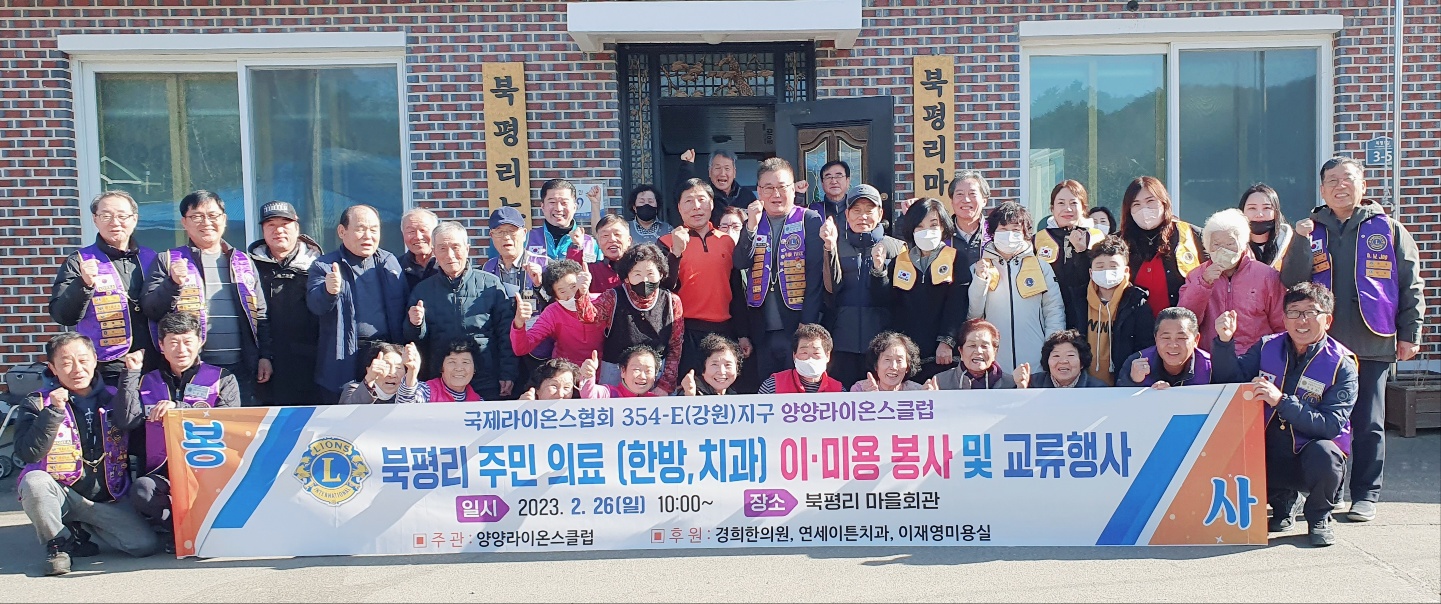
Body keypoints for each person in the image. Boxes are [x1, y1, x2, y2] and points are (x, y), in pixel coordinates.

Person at [1280, 155, 1425, 523]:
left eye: (1347, 179)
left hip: (1373, 338)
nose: (1340, 186)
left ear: (1363, 186)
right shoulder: (1309, 230)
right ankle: (1330, 492)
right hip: (1322, 346)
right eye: (1332, 180)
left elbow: (1411, 285)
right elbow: (1291, 280)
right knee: (1320, 419)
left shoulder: (1389, 229)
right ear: (1322, 189)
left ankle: (1366, 494)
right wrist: (1299, 241)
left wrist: (1410, 333)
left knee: (1369, 422)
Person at [1211, 282, 1357, 546]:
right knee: (1233, 444)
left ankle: (1319, 517)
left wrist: (1281, 401)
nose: (1302, 320)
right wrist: (1224, 342)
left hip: (1310, 451)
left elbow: (1330, 426)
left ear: (1327, 320)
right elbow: (1230, 380)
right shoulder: (1266, 346)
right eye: (1294, 312)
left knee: (1326, 453)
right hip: (1267, 445)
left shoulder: (1342, 364)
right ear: (1284, 318)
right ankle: (1283, 503)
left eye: (1311, 312)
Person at [14, 333, 158, 576]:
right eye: (66, 363)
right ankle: (58, 545)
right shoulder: (37, 402)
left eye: (83, 360)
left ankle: (81, 530)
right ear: (52, 368)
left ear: (94, 359)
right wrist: (53, 412)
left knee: (143, 545)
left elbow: (135, 435)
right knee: (34, 482)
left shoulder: (114, 396)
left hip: (105, 497)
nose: (77, 369)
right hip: (61, 492)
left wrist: (131, 377)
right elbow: (28, 453)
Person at [121, 312, 240, 549]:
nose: (181, 349)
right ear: (161, 346)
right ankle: (179, 531)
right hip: (162, 470)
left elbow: (230, 422)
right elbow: (127, 420)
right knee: (142, 490)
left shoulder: (222, 379)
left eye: (187, 341)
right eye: (173, 342)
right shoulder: (145, 381)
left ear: (200, 342)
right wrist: (131, 374)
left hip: (208, 467)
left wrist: (179, 408)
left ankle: (205, 529)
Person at [141, 190, 270, 406]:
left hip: (241, 367)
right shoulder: (168, 260)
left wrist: (265, 355)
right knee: (196, 423)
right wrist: (172, 283)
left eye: (213, 215)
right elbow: (151, 309)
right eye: (197, 216)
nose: (206, 222)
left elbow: (261, 314)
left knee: (237, 424)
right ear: (184, 222)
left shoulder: (243, 261)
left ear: (224, 219)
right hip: (192, 367)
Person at [50, 190, 159, 386]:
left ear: (134, 219)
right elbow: (62, 315)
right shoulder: (79, 261)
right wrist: (83, 284)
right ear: (95, 219)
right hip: (108, 363)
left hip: (153, 360)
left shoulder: (152, 257)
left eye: (122, 216)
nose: (115, 222)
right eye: (106, 216)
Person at [307, 205, 407, 405]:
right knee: (343, 415)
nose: (368, 236)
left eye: (374, 229)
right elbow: (315, 305)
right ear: (341, 231)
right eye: (361, 229)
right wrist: (329, 291)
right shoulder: (324, 266)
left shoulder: (389, 262)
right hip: (343, 356)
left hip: (384, 354)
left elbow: (403, 307)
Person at [735, 157, 824, 381]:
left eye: (782, 187)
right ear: (759, 191)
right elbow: (740, 263)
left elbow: (815, 274)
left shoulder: (809, 219)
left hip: (796, 323)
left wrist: (808, 322)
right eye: (768, 188)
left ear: (793, 189)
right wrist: (750, 227)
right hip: (761, 326)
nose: (776, 194)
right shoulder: (753, 221)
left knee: (796, 385)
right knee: (766, 386)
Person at [404, 221, 516, 400]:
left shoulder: (490, 284)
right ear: (434, 252)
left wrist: (508, 372)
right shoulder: (422, 290)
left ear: (467, 248)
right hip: (442, 380)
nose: (450, 255)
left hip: (486, 377)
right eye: (442, 248)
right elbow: (413, 340)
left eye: (455, 247)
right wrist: (416, 324)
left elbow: (506, 333)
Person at [821, 184, 907, 386]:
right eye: (857, 211)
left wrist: (880, 269)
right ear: (847, 214)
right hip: (842, 342)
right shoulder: (835, 244)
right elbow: (831, 289)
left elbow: (898, 298)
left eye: (869, 210)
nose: (863, 217)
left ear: (880, 214)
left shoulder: (896, 248)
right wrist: (829, 248)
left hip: (881, 345)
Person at [658, 178, 743, 379]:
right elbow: (664, 289)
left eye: (702, 200)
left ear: (711, 204)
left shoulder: (727, 241)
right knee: (688, 387)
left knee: (723, 384)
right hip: (685, 330)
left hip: (724, 329)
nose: (696, 207)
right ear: (679, 207)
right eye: (688, 201)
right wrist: (676, 253)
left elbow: (737, 290)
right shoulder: (665, 242)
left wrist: (743, 333)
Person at [968, 201, 1066, 373]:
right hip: (993, 365)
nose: (1009, 235)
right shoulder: (979, 268)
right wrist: (980, 280)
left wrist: (1052, 350)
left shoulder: (1041, 267)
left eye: (1015, 230)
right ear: (993, 233)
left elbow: (1054, 310)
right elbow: (973, 315)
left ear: (1025, 234)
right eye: (1003, 229)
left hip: (1035, 363)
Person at [883, 197, 971, 381]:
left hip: (942, 355)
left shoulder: (956, 259)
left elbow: (957, 304)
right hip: (907, 354)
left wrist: (947, 341)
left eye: (933, 225)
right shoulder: (900, 261)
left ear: (943, 227)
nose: (927, 231)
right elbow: (891, 305)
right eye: (920, 226)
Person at [247, 201, 323, 406]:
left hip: (310, 365)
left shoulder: (319, 265)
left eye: (285, 224)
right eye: (271, 225)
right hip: (263, 365)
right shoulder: (247, 267)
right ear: (263, 231)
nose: (278, 230)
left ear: (297, 228)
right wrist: (263, 355)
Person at [1179, 209, 1285, 355]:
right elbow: (1185, 320)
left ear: (1242, 244)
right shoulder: (1196, 275)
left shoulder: (1267, 275)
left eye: (1230, 244)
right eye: (1216, 244)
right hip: (1211, 357)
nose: (1223, 250)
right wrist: (1203, 283)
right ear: (1208, 247)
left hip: (1256, 357)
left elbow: (1281, 324)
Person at [592, 243, 685, 393]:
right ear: (627, 278)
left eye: (650, 273)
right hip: (615, 372)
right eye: (637, 274)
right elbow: (589, 317)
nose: (645, 280)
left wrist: (665, 385)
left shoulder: (672, 301)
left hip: (655, 373)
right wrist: (580, 294)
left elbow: (675, 346)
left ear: (661, 274)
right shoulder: (612, 297)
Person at [1073, 236, 1155, 386]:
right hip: (1084, 385)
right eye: (1100, 267)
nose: (1106, 271)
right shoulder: (1078, 300)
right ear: (1091, 272)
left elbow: (1145, 346)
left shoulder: (1137, 302)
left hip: (1123, 385)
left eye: (1113, 266)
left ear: (1126, 270)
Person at [1119, 176, 1206, 317]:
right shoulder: (1119, 241)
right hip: (1133, 325)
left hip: (1181, 325)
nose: (1144, 209)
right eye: (1136, 204)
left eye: (1150, 201)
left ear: (1163, 202)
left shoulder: (1192, 234)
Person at [1034, 180, 1104, 331]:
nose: (1067, 209)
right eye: (1061, 203)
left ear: (1083, 208)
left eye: (1073, 203)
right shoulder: (1038, 239)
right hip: (1049, 317)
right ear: (1052, 208)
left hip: (1091, 317)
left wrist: (1082, 251)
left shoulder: (1097, 237)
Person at [511, 259, 605, 365]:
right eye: (562, 291)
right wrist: (518, 324)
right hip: (566, 369)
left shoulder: (601, 301)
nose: (571, 294)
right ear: (555, 296)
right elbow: (522, 348)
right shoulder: (552, 312)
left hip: (602, 368)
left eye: (573, 286)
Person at [1116, 307, 1211, 389]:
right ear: (1156, 338)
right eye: (1166, 337)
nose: (1173, 345)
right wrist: (1133, 381)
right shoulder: (1136, 361)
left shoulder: (1210, 366)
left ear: (1196, 339)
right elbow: (1119, 401)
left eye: (1181, 338)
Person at [757, 323, 845, 394]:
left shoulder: (839, 391)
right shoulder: (772, 387)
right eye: (804, 353)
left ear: (827, 356)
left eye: (816, 353)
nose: (810, 358)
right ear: (794, 355)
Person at [481, 205, 547, 301]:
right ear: (492, 236)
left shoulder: (545, 264)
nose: (506, 237)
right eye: (499, 232)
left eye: (512, 231)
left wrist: (539, 285)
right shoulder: (486, 269)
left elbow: (558, 302)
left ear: (524, 234)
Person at [932, 319, 1019, 390]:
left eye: (984, 346)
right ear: (961, 351)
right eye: (972, 345)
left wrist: (1022, 389)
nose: (979, 351)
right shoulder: (940, 382)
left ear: (995, 352)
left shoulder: (1011, 384)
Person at [530, 178, 601, 264]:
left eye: (564, 203)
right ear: (542, 206)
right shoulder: (527, 240)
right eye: (552, 202)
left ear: (575, 207)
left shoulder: (590, 244)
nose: (558, 208)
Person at [678, 148, 756, 225]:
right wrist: (687, 165)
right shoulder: (704, 195)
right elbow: (682, 193)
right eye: (717, 168)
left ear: (734, 172)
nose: (722, 173)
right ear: (710, 172)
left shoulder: (747, 195)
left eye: (727, 168)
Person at [850, 331, 940, 392]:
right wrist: (866, 399)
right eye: (887, 360)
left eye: (899, 360)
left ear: (907, 367)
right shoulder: (861, 389)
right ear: (876, 365)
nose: (893, 367)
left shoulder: (917, 391)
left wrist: (933, 400)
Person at [337, 342, 423, 405]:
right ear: (369, 369)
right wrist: (369, 379)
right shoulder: (353, 389)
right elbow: (348, 412)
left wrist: (412, 373)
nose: (392, 374)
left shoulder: (418, 392)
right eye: (386, 366)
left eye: (398, 368)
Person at [1021, 329, 1107, 388]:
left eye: (1070, 355)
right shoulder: (1032, 384)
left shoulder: (1098, 389)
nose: (1063, 361)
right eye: (1056, 356)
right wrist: (1021, 388)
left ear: (1082, 362)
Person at [1239, 183, 1292, 270]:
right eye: (1252, 208)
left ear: (1276, 212)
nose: (1259, 214)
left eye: (1267, 208)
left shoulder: (1292, 245)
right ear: (1242, 212)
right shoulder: (1231, 247)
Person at [578, 347, 663, 398]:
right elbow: (589, 395)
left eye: (648, 371)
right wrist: (588, 375)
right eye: (636, 369)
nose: (642, 376)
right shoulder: (609, 393)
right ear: (623, 371)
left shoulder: (658, 402)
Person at [416, 339, 484, 402]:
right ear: (441, 367)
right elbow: (412, 399)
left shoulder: (478, 402)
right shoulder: (427, 390)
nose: (459, 368)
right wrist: (412, 373)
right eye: (452, 362)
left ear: (474, 368)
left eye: (465, 362)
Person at [676, 334, 742, 396]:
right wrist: (689, 396)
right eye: (714, 364)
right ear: (703, 369)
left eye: (728, 365)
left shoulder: (738, 396)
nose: (722, 372)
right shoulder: (686, 392)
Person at [947, 170, 991, 260]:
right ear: (952, 201)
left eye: (972, 194)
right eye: (960, 194)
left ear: (984, 201)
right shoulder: (942, 235)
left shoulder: (993, 234)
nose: (966, 200)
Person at [398, 208, 440, 291]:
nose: (418, 237)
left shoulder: (447, 265)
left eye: (423, 230)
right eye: (411, 231)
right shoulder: (395, 268)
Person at [589, 214, 631, 293]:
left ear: (629, 240)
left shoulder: (639, 267)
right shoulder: (591, 271)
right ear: (598, 242)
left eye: (617, 234)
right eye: (605, 235)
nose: (612, 239)